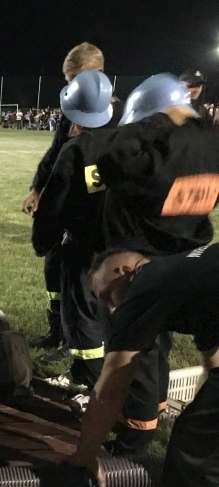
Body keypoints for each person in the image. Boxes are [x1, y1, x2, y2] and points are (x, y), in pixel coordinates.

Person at [69, 244, 219, 487]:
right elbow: (216, 361)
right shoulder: (189, 274)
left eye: (105, 294)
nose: (110, 308)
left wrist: (86, 455)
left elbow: (111, 387)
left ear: (122, 271)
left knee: (195, 454)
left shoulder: (147, 282)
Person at [94, 73, 217, 453]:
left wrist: (158, 119)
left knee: (138, 353)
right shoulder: (211, 145)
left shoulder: (152, 151)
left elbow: (112, 159)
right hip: (191, 261)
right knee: (188, 348)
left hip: (145, 264)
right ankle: (187, 416)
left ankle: (136, 435)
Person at [20, 43, 111, 361]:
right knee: (55, 274)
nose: (70, 86)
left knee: (85, 286)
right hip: (62, 209)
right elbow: (54, 154)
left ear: (97, 75)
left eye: (75, 78)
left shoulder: (117, 116)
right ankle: (58, 333)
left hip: (91, 217)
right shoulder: (73, 110)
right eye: (68, 79)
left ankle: (82, 349)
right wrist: (36, 188)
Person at [31, 70, 115, 404]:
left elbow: (53, 206)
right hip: (117, 245)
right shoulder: (123, 142)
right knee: (107, 311)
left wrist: (44, 241)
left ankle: (86, 378)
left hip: (81, 247)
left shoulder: (74, 150)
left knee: (82, 313)